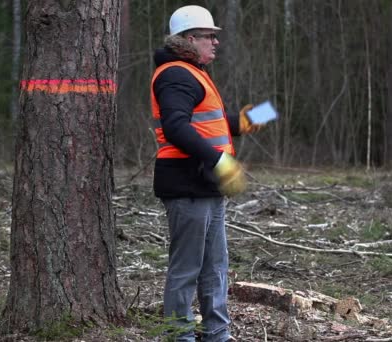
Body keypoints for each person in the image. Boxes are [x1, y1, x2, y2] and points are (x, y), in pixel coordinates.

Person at [150, 5, 264, 342]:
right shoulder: (175, 74)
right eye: (209, 36)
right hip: (186, 183)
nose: (215, 42)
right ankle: (180, 336)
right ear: (188, 38)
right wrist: (219, 160)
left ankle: (218, 334)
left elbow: (209, 123)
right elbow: (175, 127)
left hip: (206, 184)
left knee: (215, 268)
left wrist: (252, 117)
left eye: (215, 36)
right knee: (187, 270)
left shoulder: (194, 72)